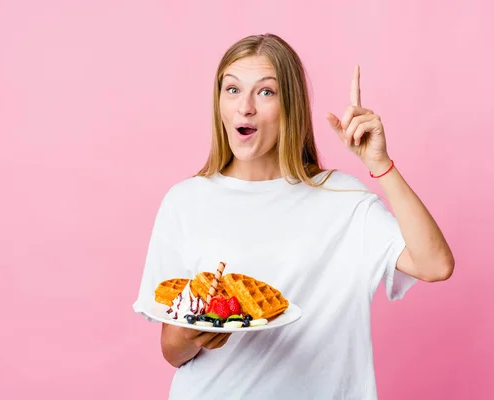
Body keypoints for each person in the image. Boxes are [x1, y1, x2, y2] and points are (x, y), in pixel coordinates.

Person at [132, 33, 454, 399]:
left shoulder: (342, 199)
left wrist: (380, 165)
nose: (245, 107)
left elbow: (435, 265)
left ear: (291, 105)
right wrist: (195, 332)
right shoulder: (185, 201)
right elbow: (172, 352)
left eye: (266, 92)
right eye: (232, 89)